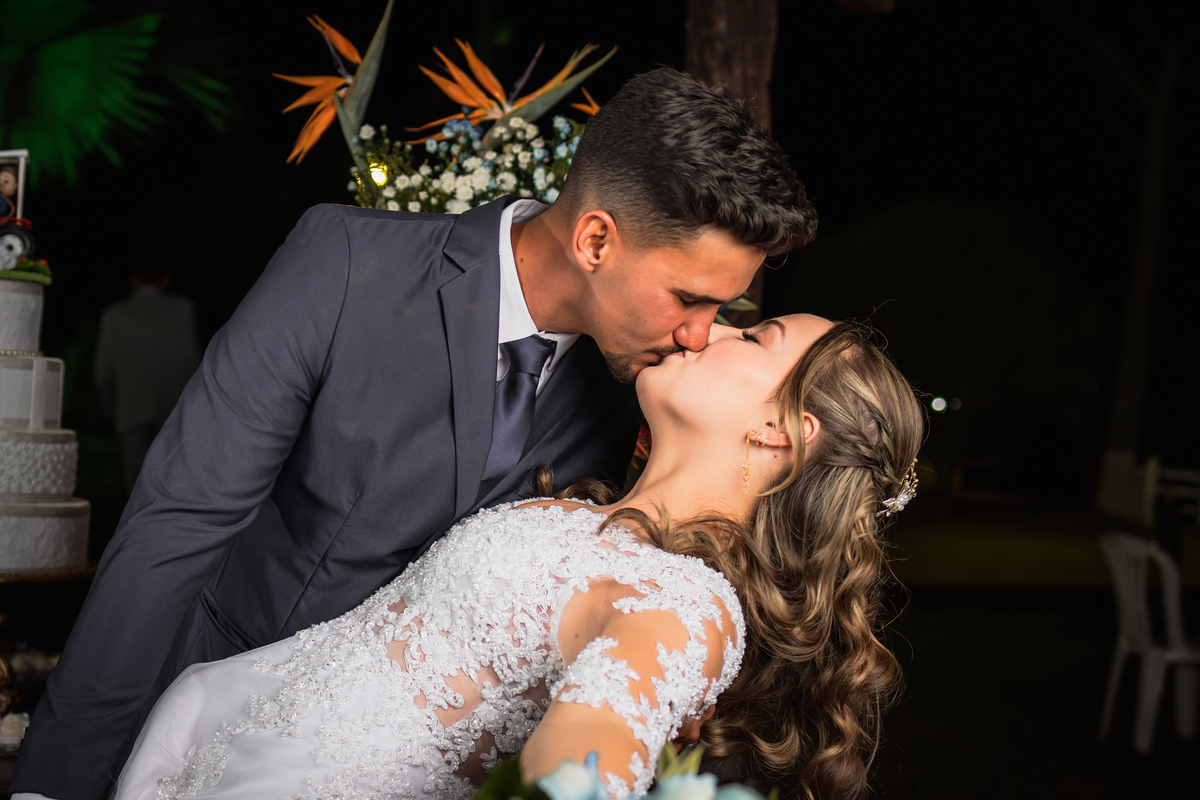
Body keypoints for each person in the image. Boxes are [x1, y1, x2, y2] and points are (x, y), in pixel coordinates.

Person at [11, 67, 817, 800]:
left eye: (724, 309)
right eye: (689, 299)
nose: (700, 335)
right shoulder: (345, 265)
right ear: (596, 240)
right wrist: (55, 783)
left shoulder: (639, 393)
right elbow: (176, 525)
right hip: (210, 724)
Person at [109, 315, 924, 800]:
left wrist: (575, 772)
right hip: (210, 746)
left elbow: (592, 748)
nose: (705, 327)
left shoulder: (686, 605)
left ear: (780, 432)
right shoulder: (568, 511)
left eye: (753, 335)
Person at [94, 268, 203, 492]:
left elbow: (102, 374)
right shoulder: (182, 309)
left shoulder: (114, 315)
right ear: (165, 280)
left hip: (131, 412)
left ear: (133, 280)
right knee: (174, 485)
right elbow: (193, 363)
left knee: (137, 489)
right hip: (175, 412)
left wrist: (111, 411)